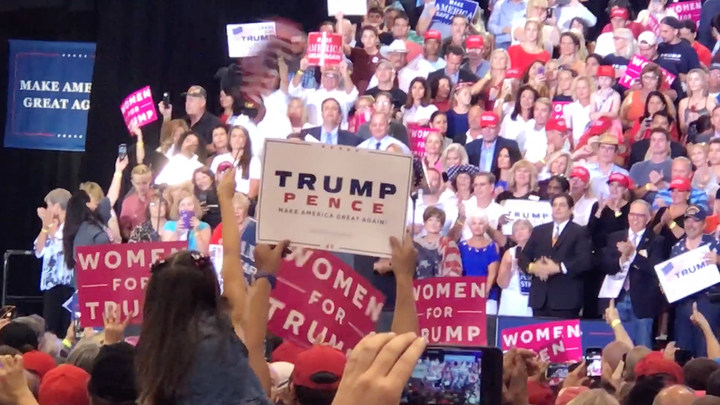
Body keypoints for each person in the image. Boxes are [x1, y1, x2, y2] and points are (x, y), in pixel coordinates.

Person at [599, 200, 665, 348]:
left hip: (643, 303)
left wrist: (633, 255)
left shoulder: (657, 241)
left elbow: (656, 269)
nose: (635, 219)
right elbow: (605, 266)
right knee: (616, 347)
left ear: (648, 219)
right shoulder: (615, 237)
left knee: (642, 347)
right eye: (632, 214)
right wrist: (621, 260)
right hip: (617, 299)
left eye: (640, 215)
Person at [519, 193, 593, 318]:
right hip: (540, 300)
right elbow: (523, 257)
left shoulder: (580, 232)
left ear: (571, 209)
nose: (557, 208)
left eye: (562, 205)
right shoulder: (539, 231)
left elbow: (585, 261)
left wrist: (559, 268)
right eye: (555, 205)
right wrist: (533, 268)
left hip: (565, 301)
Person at [670, 205, 720, 357]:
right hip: (683, 304)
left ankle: (709, 379)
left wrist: (718, 260)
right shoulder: (676, 248)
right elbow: (671, 277)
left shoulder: (715, 244)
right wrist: (666, 286)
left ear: (704, 224)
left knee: (706, 347)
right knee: (684, 350)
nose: (690, 224)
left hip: (708, 303)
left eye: (695, 220)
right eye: (687, 220)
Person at [33, 189, 73, 337]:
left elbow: (60, 246)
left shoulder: (70, 227)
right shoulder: (50, 226)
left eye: (49, 205)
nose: (47, 209)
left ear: (57, 207)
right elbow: (38, 251)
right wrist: (45, 227)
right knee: (50, 329)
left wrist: (49, 226)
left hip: (67, 285)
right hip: (51, 285)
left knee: (65, 327)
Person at [289, 60, 359, 128]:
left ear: (339, 78)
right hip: (313, 136)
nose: (329, 78)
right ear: (322, 77)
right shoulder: (312, 94)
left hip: (337, 135)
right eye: (326, 75)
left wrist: (345, 73)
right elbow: (293, 90)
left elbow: (353, 95)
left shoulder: (343, 96)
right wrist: (301, 70)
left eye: (333, 75)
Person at [458, 212, 500, 315]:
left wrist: (484, 292)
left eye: (480, 223)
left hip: (488, 296)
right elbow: (459, 272)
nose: (477, 226)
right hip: (466, 294)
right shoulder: (461, 246)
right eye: (474, 223)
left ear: (486, 226)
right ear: (469, 226)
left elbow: (492, 273)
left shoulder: (493, 246)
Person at [164, 85, 223, 154]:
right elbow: (166, 140)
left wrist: (195, 149)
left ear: (202, 103)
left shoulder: (214, 123)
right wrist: (166, 116)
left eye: (191, 100)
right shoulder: (182, 122)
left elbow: (217, 147)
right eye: (186, 100)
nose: (187, 104)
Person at [413, 206, 463, 279]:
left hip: (440, 287)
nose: (434, 223)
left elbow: (454, 271)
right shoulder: (415, 243)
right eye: (430, 220)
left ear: (442, 226)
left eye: (437, 220)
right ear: (425, 223)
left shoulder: (448, 244)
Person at [497, 219, 533, 317]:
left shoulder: (539, 252)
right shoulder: (509, 253)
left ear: (531, 232)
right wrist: (509, 268)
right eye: (516, 230)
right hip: (511, 301)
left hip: (531, 302)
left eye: (523, 229)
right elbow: (502, 284)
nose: (519, 232)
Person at [629, 128, 673, 204]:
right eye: (653, 140)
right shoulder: (637, 167)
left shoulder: (676, 166)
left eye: (661, 140)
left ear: (668, 143)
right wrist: (648, 187)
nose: (656, 143)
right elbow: (629, 197)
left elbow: (682, 194)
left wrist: (661, 185)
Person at [119, 164, 153, 238]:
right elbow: (124, 229)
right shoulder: (128, 202)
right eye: (138, 183)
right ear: (132, 182)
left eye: (144, 183)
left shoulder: (158, 198)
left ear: (150, 180)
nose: (141, 187)